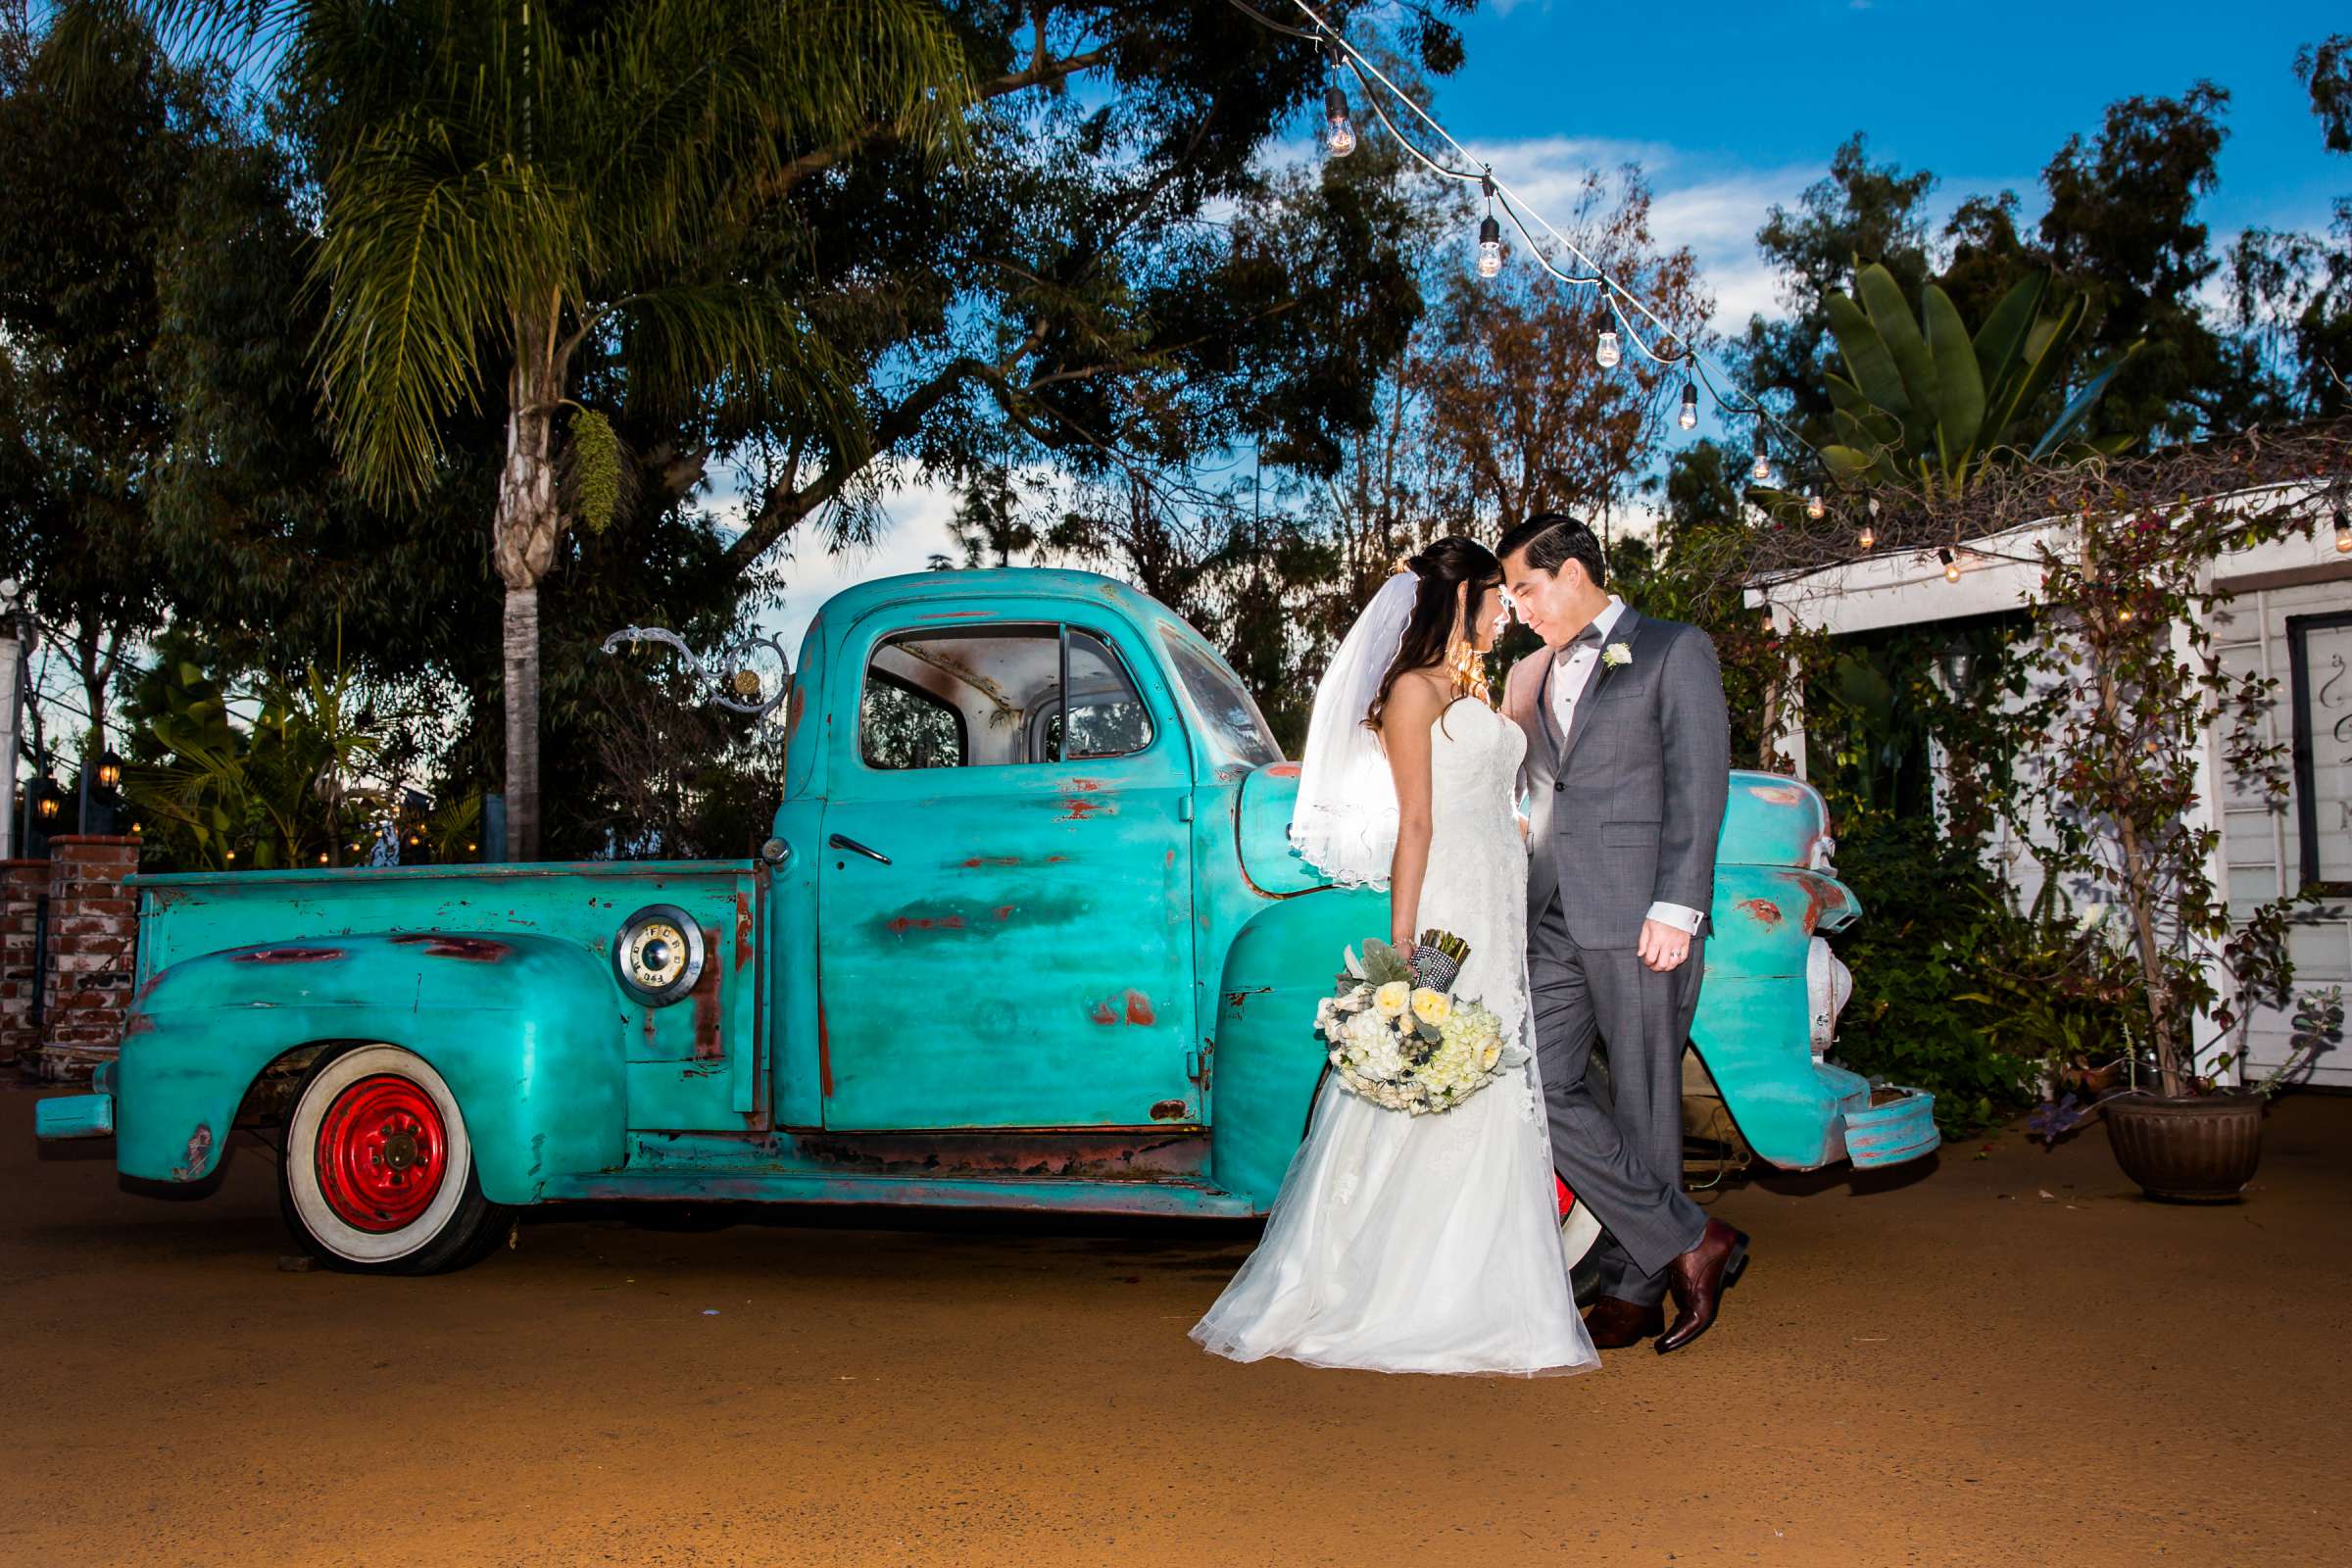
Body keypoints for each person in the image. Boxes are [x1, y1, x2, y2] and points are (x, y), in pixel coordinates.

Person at [1190, 538, 1596, 1376]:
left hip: (1499, 896)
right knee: (1436, 1073)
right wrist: (1407, 946)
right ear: (1462, 600)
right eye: (1494, 599)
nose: (1505, 612)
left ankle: (1482, 1274)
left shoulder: (1472, 684)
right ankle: (1392, 1288)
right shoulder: (1411, 692)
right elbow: (1417, 822)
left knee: (1493, 1081)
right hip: (1450, 907)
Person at [1496, 511, 1744, 1355]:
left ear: (1572, 573)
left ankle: (1636, 1293)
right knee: (1531, 1078)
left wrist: (1678, 908)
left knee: (1644, 1103)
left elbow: (1699, 784)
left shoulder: (1675, 649)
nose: (1520, 607)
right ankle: (1689, 1240)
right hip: (1552, 913)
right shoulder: (1526, 677)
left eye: (1525, 587)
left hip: (1645, 917)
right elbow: (1529, 796)